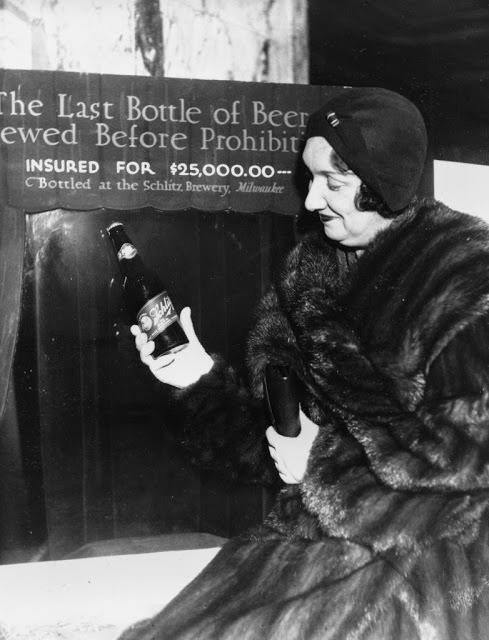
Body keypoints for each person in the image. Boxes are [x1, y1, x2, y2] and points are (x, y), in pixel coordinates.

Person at [121, 87, 489, 639]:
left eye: (332, 184)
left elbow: (472, 457)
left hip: (434, 551)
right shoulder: (307, 276)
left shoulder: (464, 278)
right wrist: (196, 377)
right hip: (317, 530)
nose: (312, 200)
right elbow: (275, 445)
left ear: (384, 186)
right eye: (310, 178)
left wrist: (321, 468)